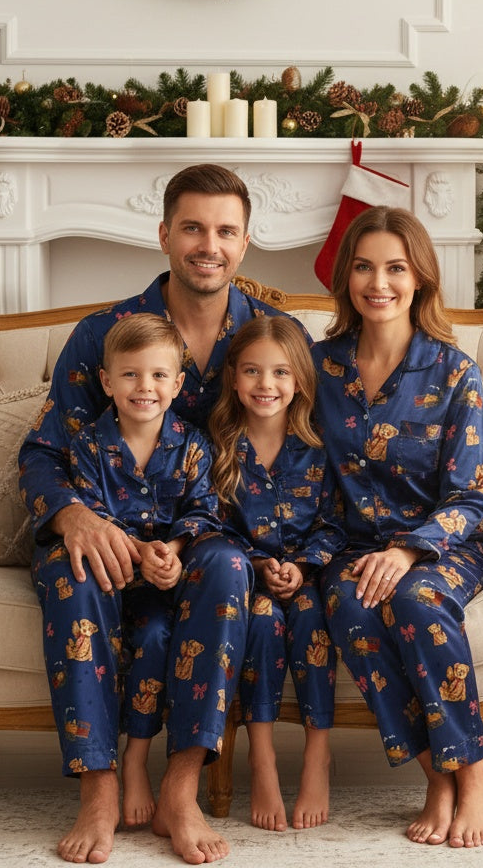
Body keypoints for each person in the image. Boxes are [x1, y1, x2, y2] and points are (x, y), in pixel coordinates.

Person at [20, 164, 294, 865]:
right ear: (166, 233)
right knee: (75, 568)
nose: (210, 244)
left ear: (245, 241)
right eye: (194, 227)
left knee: (230, 567)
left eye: (226, 230)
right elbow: (45, 452)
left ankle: (180, 786)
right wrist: (74, 517)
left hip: (201, 535)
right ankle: (101, 789)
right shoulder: (102, 335)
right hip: (101, 523)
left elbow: (314, 444)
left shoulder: (271, 339)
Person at [312, 205, 483, 848]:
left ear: (420, 278)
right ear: (346, 278)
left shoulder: (454, 372)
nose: (379, 282)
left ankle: (472, 775)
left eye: (395, 267)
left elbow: (470, 495)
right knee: (350, 604)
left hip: (445, 545)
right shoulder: (317, 368)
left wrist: (409, 551)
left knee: (415, 600)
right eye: (364, 267)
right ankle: (435, 775)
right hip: (350, 548)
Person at [68, 314, 218, 829]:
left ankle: (136, 758)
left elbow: (204, 508)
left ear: (178, 385)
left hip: (163, 587)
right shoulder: (88, 446)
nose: (144, 388)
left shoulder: (193, 445)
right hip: (112, 579)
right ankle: (108, 776)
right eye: (130, 375)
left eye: (158, 376)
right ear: (107, 382)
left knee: (156, 637)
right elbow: (91, 513)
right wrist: (137, 548)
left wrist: (173, 547)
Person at [208, 316, 344, 832]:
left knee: (311, 619)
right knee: (263, 622)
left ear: (300, 380)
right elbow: (208, 524)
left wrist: (303, 565)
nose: (266, 385)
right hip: (249, 584)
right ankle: (260, 756)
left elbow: (336, 524)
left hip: (308, 578)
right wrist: (260, 565)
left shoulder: (317, 447)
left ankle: (317, 755)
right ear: (234, 378)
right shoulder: (217, 447)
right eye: (253, 372)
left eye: (281, 372)